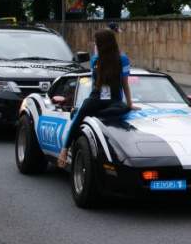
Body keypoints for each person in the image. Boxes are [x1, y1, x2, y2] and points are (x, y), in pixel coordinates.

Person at [58, 29, 139, 167]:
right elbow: (95, 83)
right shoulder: (95, 59)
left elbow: (125, 84)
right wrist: (92, 103)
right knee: (82, 112)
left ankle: (95, 114)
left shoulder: (122, 59)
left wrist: (130, 103)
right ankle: (65, 149)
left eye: (96, 42)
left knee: (124, 109)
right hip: (97, 96)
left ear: (103, 43)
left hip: (114, 99)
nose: (94, 44)